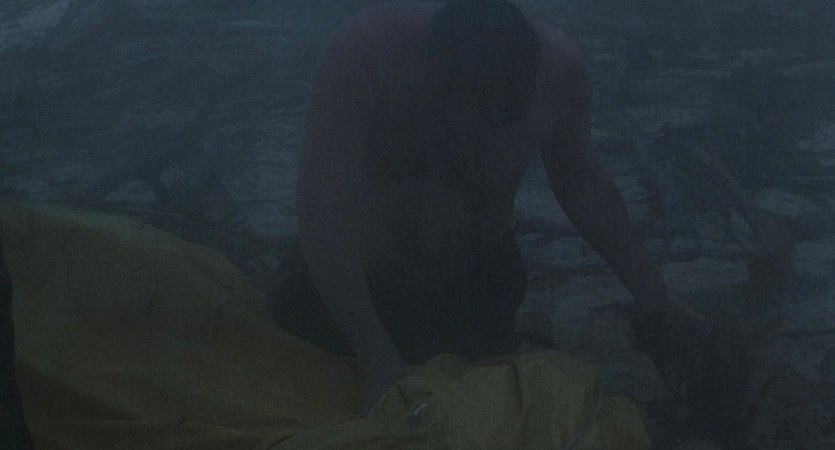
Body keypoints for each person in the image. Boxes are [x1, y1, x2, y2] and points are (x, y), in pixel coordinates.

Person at [288, 0, 706, 411]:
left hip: (473, 294)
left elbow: (581, 183)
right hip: (358, 295)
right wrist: (377, 358)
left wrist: (655, 297)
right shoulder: (369, 55)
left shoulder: (556, 75)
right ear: (437, 74)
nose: (478, 131)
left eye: (501, 115)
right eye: (472, 108)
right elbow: (322, 213)